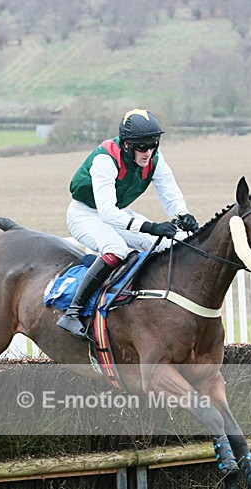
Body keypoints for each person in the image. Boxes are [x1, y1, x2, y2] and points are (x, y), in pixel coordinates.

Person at [57, 108, 199, 337]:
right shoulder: (105, 159)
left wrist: (184, 214)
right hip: (84, 214)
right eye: (142, 146)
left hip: (117, 214)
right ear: (126, 144)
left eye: (153, 145)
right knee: (116, 249)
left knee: (174, 241)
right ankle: (72, 313)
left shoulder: (154, 159)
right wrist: (152, 227)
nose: (148, 152)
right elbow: (107, 213)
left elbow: (170, 194)